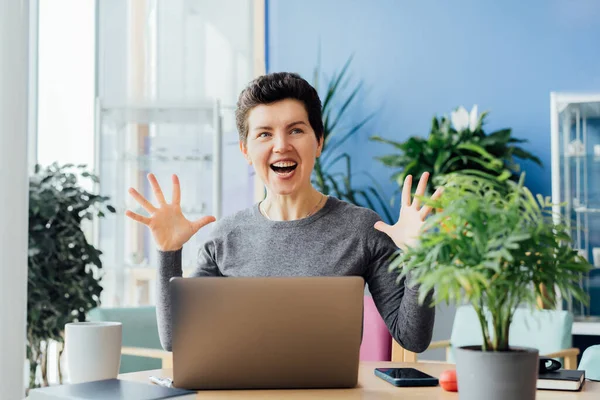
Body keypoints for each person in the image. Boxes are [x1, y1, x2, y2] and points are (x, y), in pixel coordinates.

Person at [126, 72, 443, 352]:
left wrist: (419, 258)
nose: (281, 145)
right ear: (245, 150)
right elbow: (176, 340)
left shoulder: (362, 229)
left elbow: (412, 339)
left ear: (318, 142)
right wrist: (168, 252)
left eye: (295, 131)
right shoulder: (225, 237)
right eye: (264, 133)